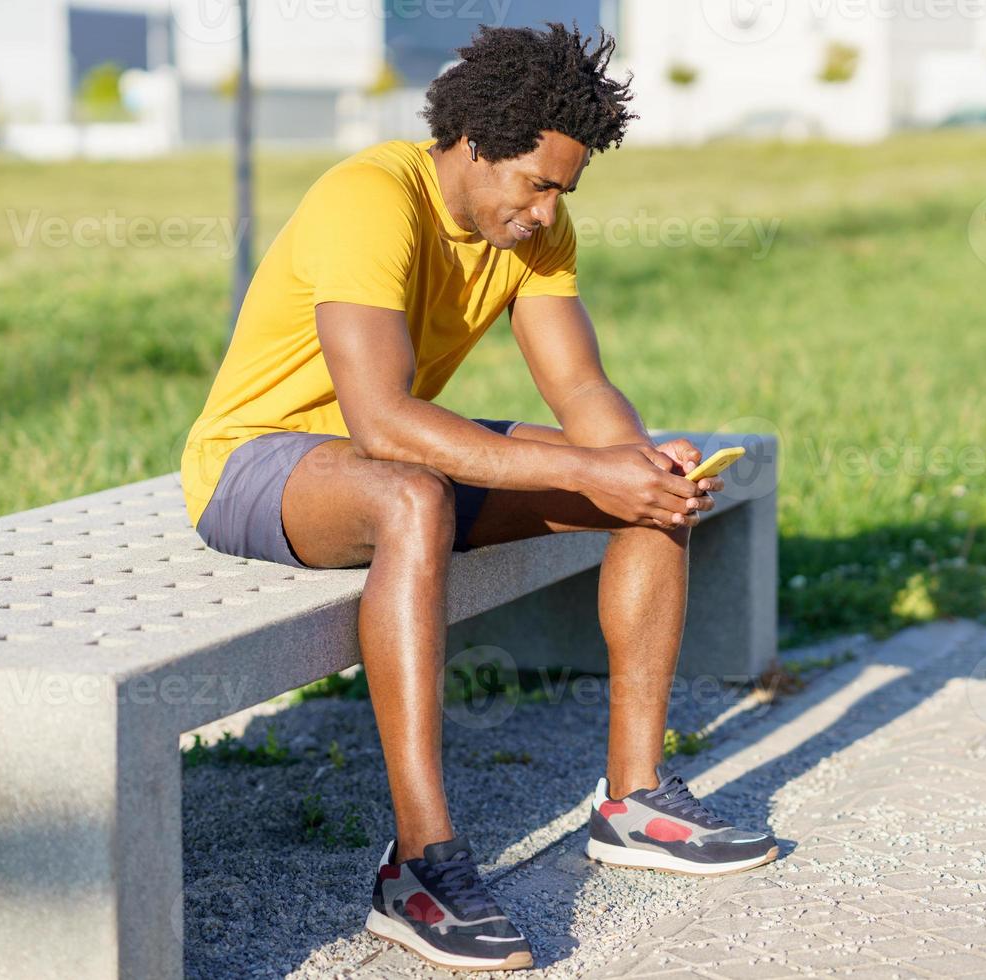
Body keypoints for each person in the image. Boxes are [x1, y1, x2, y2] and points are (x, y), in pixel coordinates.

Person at [180, 21, 776, 972]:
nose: (545, 211)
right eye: (536, 183)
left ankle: (634, 800)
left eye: (562, 191)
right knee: (413, 496)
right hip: (261, 466)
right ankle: (421, 866)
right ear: (471, 143)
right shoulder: (369, 199)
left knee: (646, 487)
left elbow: (579, 390)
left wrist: (630, 463)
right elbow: (378, 422)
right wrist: (586, 466)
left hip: (391, 458)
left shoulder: (532, 232)